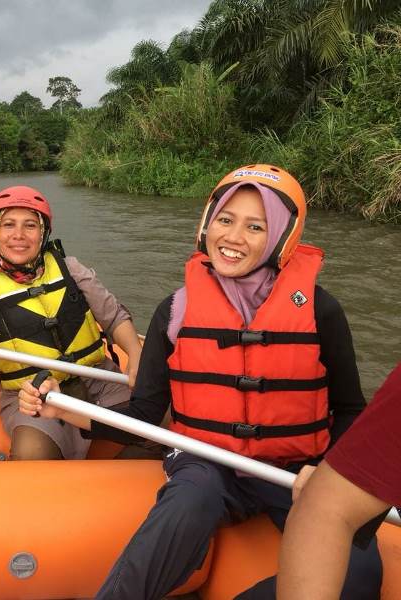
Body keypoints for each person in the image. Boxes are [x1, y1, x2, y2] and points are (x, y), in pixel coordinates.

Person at [19, 164, 383, 598]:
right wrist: (67, 410)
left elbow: (349, 411)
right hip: (204, 463)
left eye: (255, 226)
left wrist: (325, 472)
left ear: (283, 237)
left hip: (293, 470)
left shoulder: (320, 311)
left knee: (360, 570)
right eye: (225, 220)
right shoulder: (174, 311)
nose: (232, 237)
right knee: (191, 498)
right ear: (207, 222)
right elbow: (144, 414)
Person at [0, 185, 143, 460]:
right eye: (8, 225)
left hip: (99, 381)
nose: (19, 235)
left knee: (162, 423)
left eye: (30, 225)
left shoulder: (71, 269)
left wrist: (135, 355)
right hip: (30, 396)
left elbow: (114, 319)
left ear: (44, 233)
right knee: (32, 454)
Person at [278, 362, 401, 599]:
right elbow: (325, 511)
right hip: (214, 466)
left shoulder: (322, 323)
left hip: (302, 467)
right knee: (195, 502)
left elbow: (349, 407)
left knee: (359, 575)